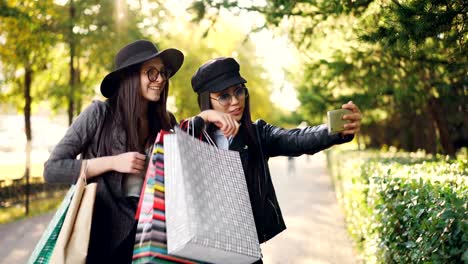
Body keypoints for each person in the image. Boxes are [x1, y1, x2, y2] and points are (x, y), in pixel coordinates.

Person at [182, 57, 362, 257]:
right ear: (207, 100)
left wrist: (335, 131)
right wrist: (204, 118)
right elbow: (164, 146)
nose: (235, 102)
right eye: (224, 96)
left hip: (244, 250)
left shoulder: (258, 134)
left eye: (239, 91)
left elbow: (297, 139)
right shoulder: (192, 136)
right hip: (201, 250)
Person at [43, 39, 184, 263]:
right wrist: (112, 162)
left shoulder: (167, 122)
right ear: (129, 77)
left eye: (163, 73)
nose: (160, 80)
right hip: (103, 235)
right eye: (151, 72)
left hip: (152, 235)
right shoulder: (99, 114)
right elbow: (52, 169)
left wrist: (205, 118)